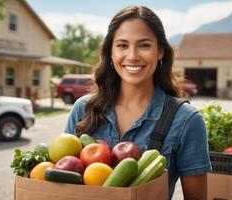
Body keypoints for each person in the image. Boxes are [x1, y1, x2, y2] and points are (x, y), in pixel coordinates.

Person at [65, 6, 211, 200]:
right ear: (110, 52)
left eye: (144, 45)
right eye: (122, 45)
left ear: (160, 52)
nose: (132, 55)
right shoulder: (83, 109)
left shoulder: (186, 120)